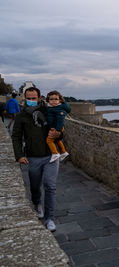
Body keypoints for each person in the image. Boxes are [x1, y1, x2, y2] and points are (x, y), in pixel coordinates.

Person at [12, 87, 62, 232]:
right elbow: (16, 137)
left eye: (34, 98)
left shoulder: (49, 112)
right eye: (29, 98)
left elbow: (61, 128)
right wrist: (19, 155)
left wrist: (58, 134)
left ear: (40, 98)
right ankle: (37, 203)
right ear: (25, 98)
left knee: (50, 186)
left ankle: (50, 218)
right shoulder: (22, 116)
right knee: (35, 185)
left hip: (51, 155)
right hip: (33, 156)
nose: (31, 101)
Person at [46, 90, 70, 163]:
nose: (53, 101)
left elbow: (60, 121)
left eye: (56, 99)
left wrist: (58, 130)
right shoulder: (50, 107)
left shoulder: (59, 109)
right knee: (57, 140)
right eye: (51, 99)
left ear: (60, 100)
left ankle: (55, 153)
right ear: (48, 100)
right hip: (54, 127)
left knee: (49, 140)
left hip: (57, 128)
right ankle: (63, 152)